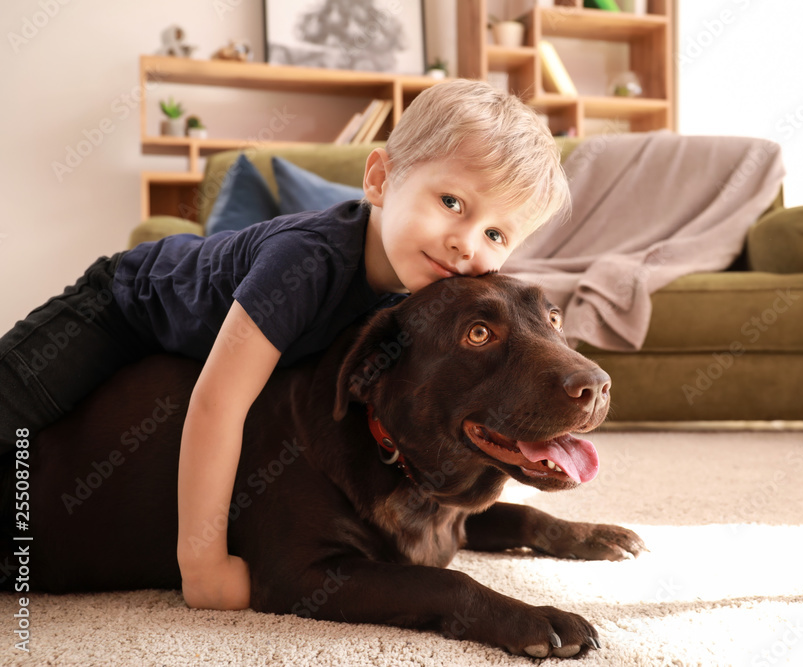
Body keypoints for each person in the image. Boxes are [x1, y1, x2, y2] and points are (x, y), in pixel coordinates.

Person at [0, 79, 569, 610]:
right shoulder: (306, 263)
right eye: (451, 202)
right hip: (120, 307)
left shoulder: (418, 300)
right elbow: (219, 402)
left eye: (495, 234)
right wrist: (203, 565)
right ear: (380, 180)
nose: (465, 244)